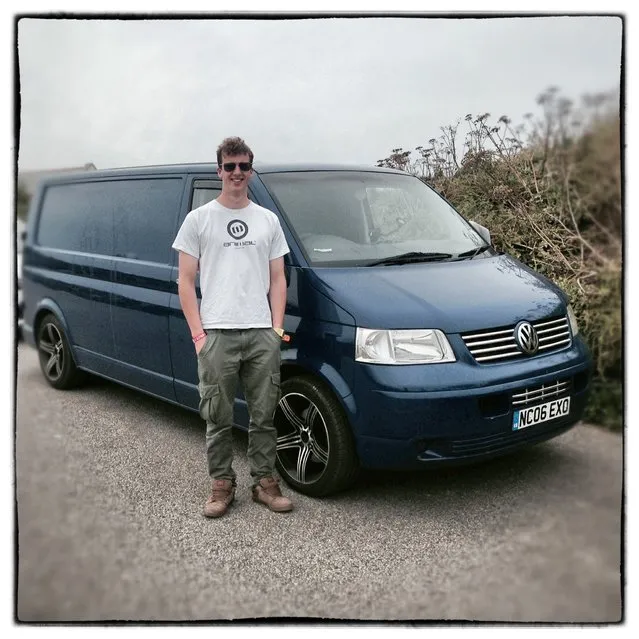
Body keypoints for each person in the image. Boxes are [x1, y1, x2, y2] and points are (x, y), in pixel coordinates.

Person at [172, 136, 293, 518]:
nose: (237, 173)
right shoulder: (199, 220)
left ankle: (264, 481)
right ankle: (222, 484)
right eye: (230, 166)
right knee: (217, 417)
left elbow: (278, 279)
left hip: (260, 332)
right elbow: (185, 281)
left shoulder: (267, 220)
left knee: (263, 415)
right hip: (216, 333)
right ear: (219, 170)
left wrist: (275, 330)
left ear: (251, 170)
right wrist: (199, 336)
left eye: (243, 166)